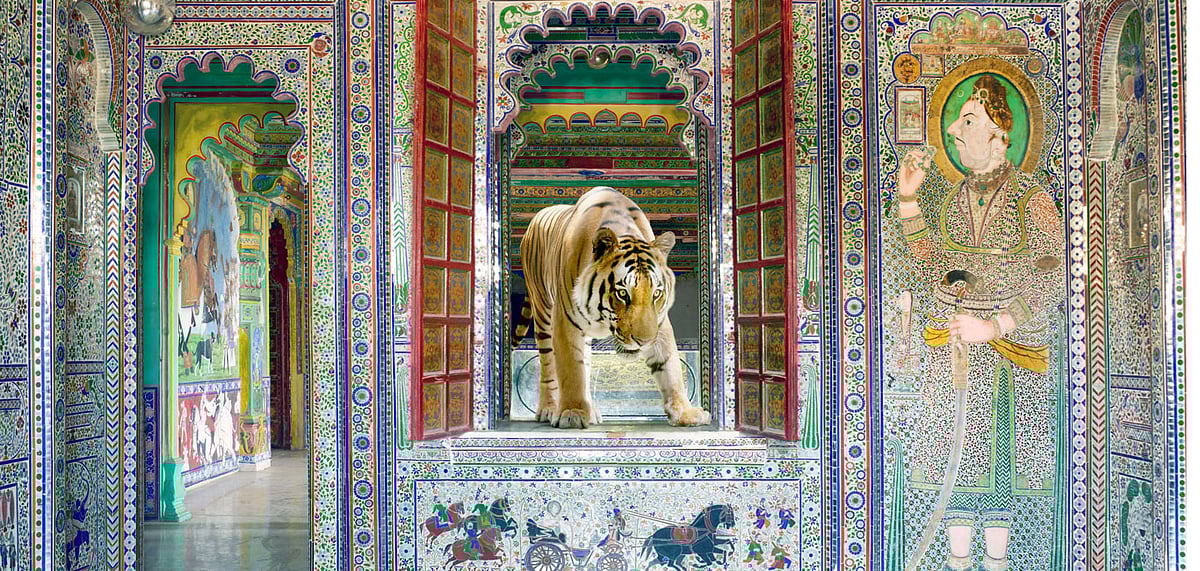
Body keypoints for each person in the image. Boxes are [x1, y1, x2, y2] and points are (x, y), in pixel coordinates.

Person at [895, 74, 1065, 571]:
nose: (952, 130)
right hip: (954, 356)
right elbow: (931, 260)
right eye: (954, 121)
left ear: (1000, 133)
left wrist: (995, 327)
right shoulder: (952, 198)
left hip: (1009, 362)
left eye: (966, 120)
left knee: (1000, 476)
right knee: (955, 477)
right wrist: (909, 200)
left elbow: (1054, 277)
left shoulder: (1031, 198)